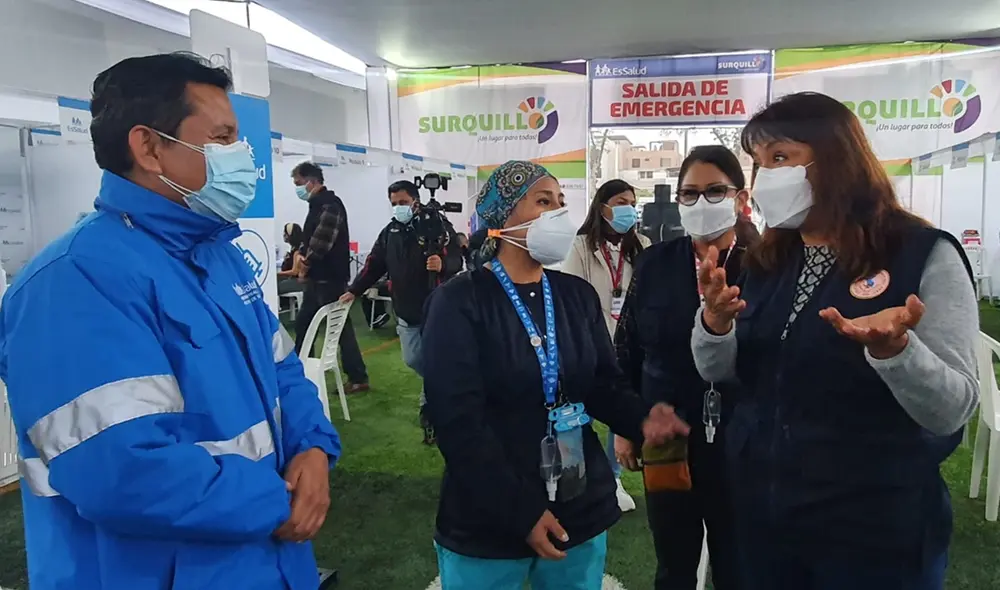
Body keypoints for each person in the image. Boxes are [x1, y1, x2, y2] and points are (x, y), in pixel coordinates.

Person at [0, 52, 340, 590]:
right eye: (224, 137)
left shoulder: (219, 254)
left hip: (270, 562)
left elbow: (283, 371)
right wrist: (281, 497)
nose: (241, 156)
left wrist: (315, 450)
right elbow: (123, 473)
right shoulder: (73, 282)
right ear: (150, 147)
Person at [692, 92, 979, 589]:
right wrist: (714, 325)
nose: (765, 179)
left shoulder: (921, 254)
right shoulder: (768, 260)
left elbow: (952, 408)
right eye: (759, 164)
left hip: (874, 531)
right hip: (766, 518)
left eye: (780, 157)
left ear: (837, 160)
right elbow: (721, 372)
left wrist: (897, 353)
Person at [422, 160, 690, 590]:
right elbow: (458, 423)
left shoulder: (575, 296)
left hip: (576, 503)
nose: (559, 214)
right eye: (543, 201)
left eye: (561, 203)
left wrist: (643, 420)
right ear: (503, 215)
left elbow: (604, 383)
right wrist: (519, 511)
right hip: (488, 514)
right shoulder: (459, 303)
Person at [614, 146, 756, 589]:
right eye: (689, 193)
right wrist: (625, 425)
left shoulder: (767, 263)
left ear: (740, 197)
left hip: (742, 439)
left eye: (715, 191)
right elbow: (629, 346)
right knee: (674, 560)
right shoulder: (656, 262)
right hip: (666, 435)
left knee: (740, 562)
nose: (701, 202)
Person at [339, 180, 463, 443]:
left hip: (438, 307)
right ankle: (449, 385)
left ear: (415, 201)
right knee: (414, 359)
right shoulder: (390, 232)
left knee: (433, 360)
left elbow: (457, 259)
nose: (398, 208)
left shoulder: (438, 226)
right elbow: (374, 264)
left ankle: (430, 412)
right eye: (394, 204)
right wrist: (355, 289)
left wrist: (443, 263)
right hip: (405, 310)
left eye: (403, 203)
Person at [561, 178, 650, 513]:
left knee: (621, 405)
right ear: (603, 207)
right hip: (590, 339)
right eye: (622, 201)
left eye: (632, 202)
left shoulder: (642, 244)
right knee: (581, 406)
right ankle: (576, 469)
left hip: (628, 341)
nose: (629, 208)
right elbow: (573, 293)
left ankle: (612, 478)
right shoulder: (582, 246)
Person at [291, 161, 369, 393]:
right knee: (305, 325)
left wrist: (305, 264)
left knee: (339, 330)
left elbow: (321, 242)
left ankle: (357, 377)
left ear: (312, 182)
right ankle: (301, 371)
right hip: (320, 278)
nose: (297, 189)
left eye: (298, 184)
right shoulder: (318, 205)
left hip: (328, 279)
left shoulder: (329, 205)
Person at [278, 222, 305, 295]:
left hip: (298, 282)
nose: (284, 235)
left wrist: (277, 274)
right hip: (293, 279)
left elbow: (294, 271)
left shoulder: (298, 251)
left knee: (275, 287)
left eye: (285, 233)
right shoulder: (292, 251)